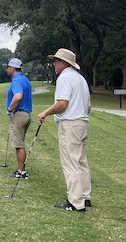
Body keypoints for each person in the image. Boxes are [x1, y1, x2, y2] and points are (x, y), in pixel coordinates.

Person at [37, 48, 91, 213]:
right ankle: (85, 196)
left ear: (63, 62)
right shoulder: (80, 79)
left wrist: (45, 112)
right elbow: (88, 106)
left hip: (70, 123)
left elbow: (62, 104)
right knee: (81, 161)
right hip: (82, 122)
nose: (54, 64)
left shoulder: (65, 78)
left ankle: (76, 202)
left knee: (70, 162)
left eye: (56, 61)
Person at [4, 58, 33, 179]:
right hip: (26, 114)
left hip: (19, 115)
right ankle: (21, 169)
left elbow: (18, 96)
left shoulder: (16, 81)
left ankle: (22, 172)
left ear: (12, 68)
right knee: (19, 143)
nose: (7, 70)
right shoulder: (24, 79)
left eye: (8, 67)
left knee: (18, 144)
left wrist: (10, 109)